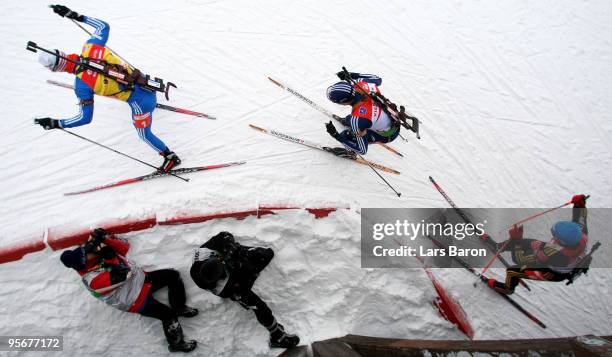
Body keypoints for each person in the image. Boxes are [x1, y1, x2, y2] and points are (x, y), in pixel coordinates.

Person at [33, 5, 180, 172]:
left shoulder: (81, 87)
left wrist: (56, 123)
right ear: (63, 53)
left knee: (143, 135)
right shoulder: (90, 47)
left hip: (143, 103)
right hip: (149, 84)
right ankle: (151, 107)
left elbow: (84, 118)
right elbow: (103, 26)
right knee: (118, 88)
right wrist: (74, 15)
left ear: (56, 69)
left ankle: (170, 158)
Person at [60, 228, 198, 352]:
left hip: (142, 281)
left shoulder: (96, 258)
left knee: (173, 275)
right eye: (88, 253)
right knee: (167, 315)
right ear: (84, 262)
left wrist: (105, 238)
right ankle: (176, 344)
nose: (92, 251)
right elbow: (125, 275)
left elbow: (125, 246)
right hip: (135, 300)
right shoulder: (93, 280)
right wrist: (110, 258)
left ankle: (179, 306)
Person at [190, 232, 299, 349]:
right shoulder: (221, 287)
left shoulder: (204, 253)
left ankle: (238, 263)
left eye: (221, 262)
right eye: (222, 269)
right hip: (231, 286)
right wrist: (244, 269)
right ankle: (277, 336)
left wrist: (229, 246)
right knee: (259, 306)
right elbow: (235, 283)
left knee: (266, 254)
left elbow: (224, 235)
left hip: (226, 259)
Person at [484, 194, 589, 294]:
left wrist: (516, 241)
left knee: (512, 271)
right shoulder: (580, 234)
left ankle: (508, 288)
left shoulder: (554, 255)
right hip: (556, 254)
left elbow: (519, 259)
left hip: (552, 272)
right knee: (525, 242)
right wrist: (579, 203)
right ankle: (499, 247)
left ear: (561, 242)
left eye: (555, 236)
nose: (553, 236)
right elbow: (581, 216)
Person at [324, 71, 401, 157]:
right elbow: (378, 79)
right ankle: (349, 122)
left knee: (346, 134)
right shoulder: (361, 83)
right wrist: (351, 75)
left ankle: (351, 153)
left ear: (343, 102)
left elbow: (362, 150)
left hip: (386, 135)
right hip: (393, 121)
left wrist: (336, 135)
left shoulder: (357, 119)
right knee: (352, 120)